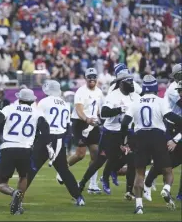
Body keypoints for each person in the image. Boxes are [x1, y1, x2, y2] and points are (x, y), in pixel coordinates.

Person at [0, 88, 51, 214]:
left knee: (1, 184)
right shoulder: (37, 113)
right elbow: (46, 130)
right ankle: (18, 204)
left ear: (19, 99)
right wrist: (48, 145)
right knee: (23, 176)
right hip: (26, 149)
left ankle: (14, 193)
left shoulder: (10, 108)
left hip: (8, 147)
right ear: (32, 101)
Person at [121, 75, 182, 214]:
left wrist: (125, 141)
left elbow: (124, 124)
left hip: (140, 136)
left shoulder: (135, 102)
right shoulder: (160, 101)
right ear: (155, 87)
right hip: (157, 136)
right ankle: (166, 189)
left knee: (140, 172)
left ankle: (139, 206)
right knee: (167, 169)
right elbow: (170, 117)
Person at [78, 70, 139, 199]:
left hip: (127, 132)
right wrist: (120, 109)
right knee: (99, 161)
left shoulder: (134, 95)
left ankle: (129, 191)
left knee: (131, 160)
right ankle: (83, 183)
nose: (131, 83)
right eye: (128, 81)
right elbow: (104, 113)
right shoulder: (113, 95)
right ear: (121, 83)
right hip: (111, 133)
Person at [29, 80, 85, 206]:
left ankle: (18, 197)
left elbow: (38, 121)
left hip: (45, 139)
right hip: (59, 140)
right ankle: (79, 197)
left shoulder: (43, 102)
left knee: (31, 168)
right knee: (64, 171)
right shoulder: (65, 104)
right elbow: (67, 126)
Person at [144, 67, 182, 202]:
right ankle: (148, 179)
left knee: (174, 161)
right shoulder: (173, 88)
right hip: (173, 125)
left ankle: (177, 192)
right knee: (168, 161)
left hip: (178, 125)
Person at [65, 68, 104, 194]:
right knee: (80, 154)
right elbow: (78, 109)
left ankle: (92, 184)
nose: (92, 79)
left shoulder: (99, 91)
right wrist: (87, 119)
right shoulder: (81, 91)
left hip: (93, 123)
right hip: (80, 122)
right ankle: (63, 171)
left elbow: (98, 108)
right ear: (85, 78)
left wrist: (99, 118)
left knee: (96, 154)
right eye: (89, 77)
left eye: (94, 77)